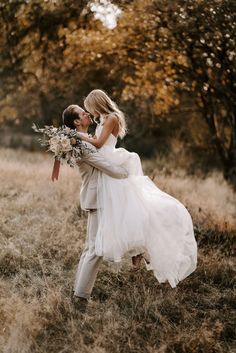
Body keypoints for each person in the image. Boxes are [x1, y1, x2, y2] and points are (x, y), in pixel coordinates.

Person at [77, 89, 198, 288]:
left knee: (128, 210)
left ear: (98, 103)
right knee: (122, 214)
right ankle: (138, 250)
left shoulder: (112, 118)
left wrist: (79, 137)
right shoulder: (102, 120)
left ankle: (140, 248)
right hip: (104, 166)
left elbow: (99, 143)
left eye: (90, 108)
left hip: (109, 162)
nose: (90, 113)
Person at [62, 105, 128, 302]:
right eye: (83, 113)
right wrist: (128, 171)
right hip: (97, 198)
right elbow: (110, 168)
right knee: (95, 249)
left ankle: (78, 293)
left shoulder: (83, 140)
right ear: (76, 122)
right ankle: (81, 297)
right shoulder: (82, 145)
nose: (87, 114)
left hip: (97, 197)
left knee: (91, 247)